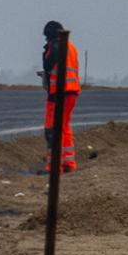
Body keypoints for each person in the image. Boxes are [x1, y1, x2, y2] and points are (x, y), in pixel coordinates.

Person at [40, 21, 81, 173]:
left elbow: (48, 64)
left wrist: (47, 51)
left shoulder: (56, 44)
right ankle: (68, 163)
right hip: (72, 91)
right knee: (64, 127)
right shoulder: (72, 47)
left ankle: (54, 166)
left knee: (53, 129)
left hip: (59, 92)